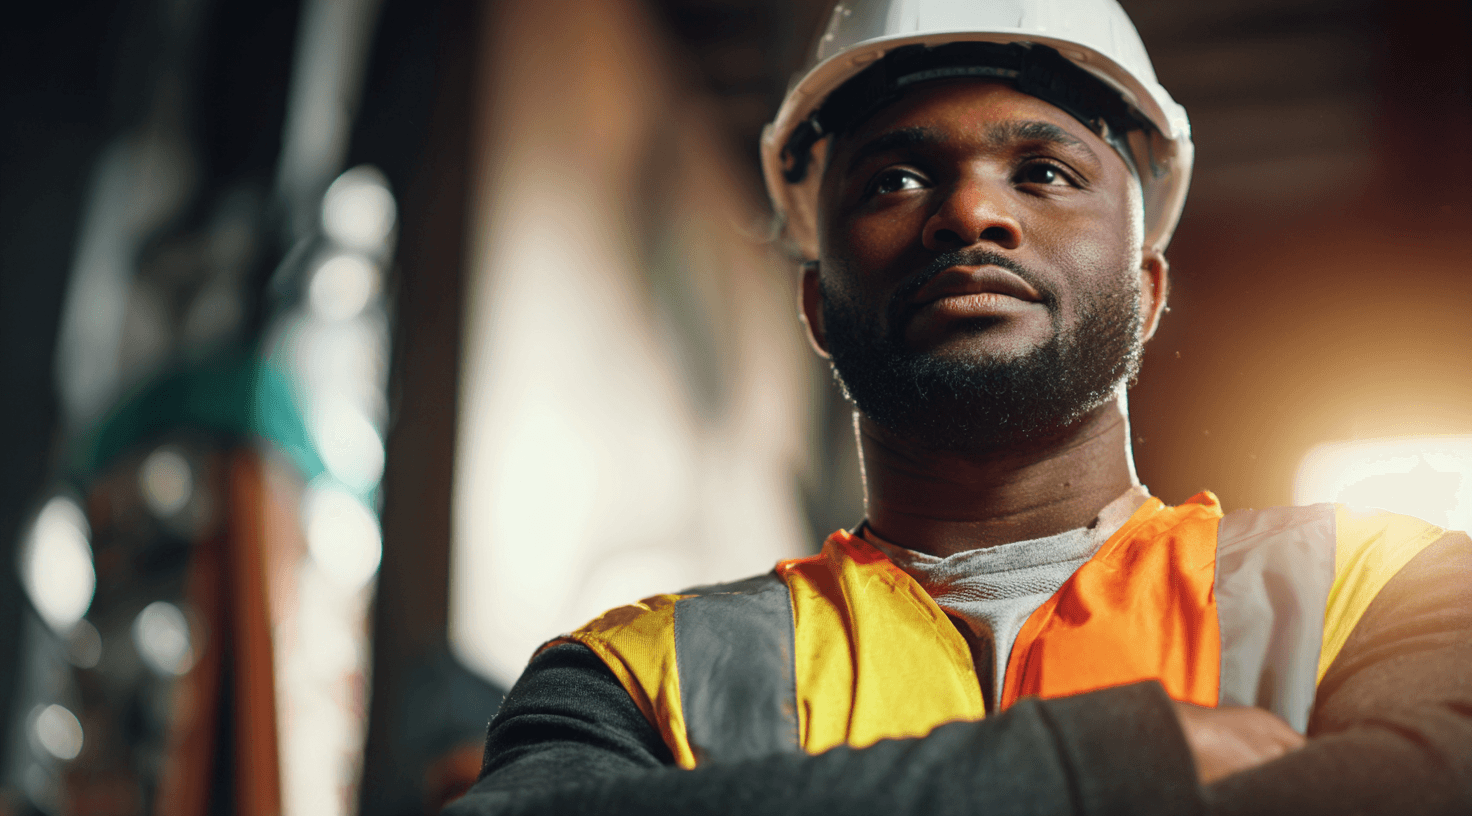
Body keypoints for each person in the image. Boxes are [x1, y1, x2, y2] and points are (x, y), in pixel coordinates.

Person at [445, 1, 1472, 813]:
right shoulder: (628, 673)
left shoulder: (1385, 588)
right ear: (815, 303)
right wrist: (1101, 774)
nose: (972, 212)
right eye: (892, 179)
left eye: (1042, 172)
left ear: (1147, 290)